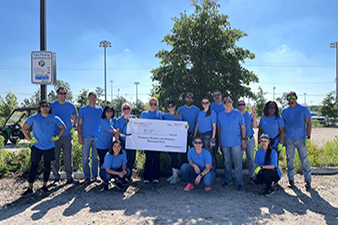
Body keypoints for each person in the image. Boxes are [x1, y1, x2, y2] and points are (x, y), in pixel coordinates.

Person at [21, 100, 66, 195]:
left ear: (49, 108)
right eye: (43, 106)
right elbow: (24, 128)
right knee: (34, 166)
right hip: (37, 146)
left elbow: (63, 127)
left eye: (47, 106)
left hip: (49, 146)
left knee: (47, 167)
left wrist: (57, 136)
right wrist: (29, 139)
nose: (45, 107)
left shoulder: (54, 118)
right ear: (40, 107)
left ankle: (45, 186)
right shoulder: (34, 117)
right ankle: (30, 187)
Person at [281, 91, 312, 189]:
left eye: (293, 96)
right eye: (289, 97)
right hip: (288, 138)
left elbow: (309, 123)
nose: (291, 98)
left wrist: (308, 137)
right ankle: (291, 180)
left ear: (296, 97)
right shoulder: (284, 111)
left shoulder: (303, 109)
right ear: (287, 99)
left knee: (304, 159)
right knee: (289, 159)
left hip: (301, 139)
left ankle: (308, 180)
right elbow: (282, 126)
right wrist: (282, 140)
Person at [50, 86, 79, 186]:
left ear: (67, 94)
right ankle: (56, 178)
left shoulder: (71, 106)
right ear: (57, 94)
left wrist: (74, 126)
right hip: (55, 135)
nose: (63, 95)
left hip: (67, 135)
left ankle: (69, 178)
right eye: (61, 93)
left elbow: (76, 116)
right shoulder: (52, 105)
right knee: (55, 157)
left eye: (64, 93)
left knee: (68, 157)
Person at [218, 96, 246, 190]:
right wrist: (219, 141)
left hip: (236, 143)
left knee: (238, 163)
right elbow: (219, 128)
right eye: (225, 102)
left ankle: (239, 182)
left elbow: (243, 127)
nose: (227, 104)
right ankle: (228, 180)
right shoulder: (220, 115)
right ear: (223, 104)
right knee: (227, 162)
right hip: (225, 143)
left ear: (232, 103)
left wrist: (243, 139)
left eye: (229, 102)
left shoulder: (238, 114)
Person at [77, 92, 103, 184]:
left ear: (96, 99)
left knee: (95, 158)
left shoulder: (100, 110)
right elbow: (79, 124)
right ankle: (87, 177)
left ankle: (95, 175)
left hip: (97, 136)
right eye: (90, 97)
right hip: (85, 136)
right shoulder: (83, 109)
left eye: (94, 97)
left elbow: (101, 123)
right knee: (85, 158)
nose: (92, 99)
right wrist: (79, 136)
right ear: (88, 98)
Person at [140, 97, 164, 183]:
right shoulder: (144, 114)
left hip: (158, 140)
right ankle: (147, 178)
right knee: (148, 158)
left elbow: (165, 126)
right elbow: (140, 126)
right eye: (151, 104)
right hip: (148, 140)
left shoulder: (160, 114)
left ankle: (156, 178)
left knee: (157, 158)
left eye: (155, 104)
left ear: (157, 105)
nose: (153, 105)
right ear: (149, 105)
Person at [115, 103, 137, 181]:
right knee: (124, 160)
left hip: (132, 143)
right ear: (122, 110)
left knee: (132, 159)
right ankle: (122, 177)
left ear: (130, 110)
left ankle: (129, 176)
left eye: (128, 108)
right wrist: (117, 145)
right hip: (123, 143)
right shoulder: (119, 120)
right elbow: (117, 133)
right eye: (124, 108)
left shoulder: (135, 120)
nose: (126, 110)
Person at [237, 100, 257, 184]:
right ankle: (239, 178)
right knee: (238, 159)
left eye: (243, 104)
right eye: (239, 104)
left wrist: (254, 116)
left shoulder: (249, 115)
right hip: (239, 140)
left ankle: (251, 176)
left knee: (251, 158)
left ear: (245, 106)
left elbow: (255, 126)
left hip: (250, 139)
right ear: (237, 106)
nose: (241, 106)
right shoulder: (236, 115)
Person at [177, 93, 200, 165]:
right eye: (188, 97)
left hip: (194, 135)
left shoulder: (197, 110)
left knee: (195, 153)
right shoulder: (180, 109)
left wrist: (194, 134)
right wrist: (185, 131)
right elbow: (179, 122)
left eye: (191, 98)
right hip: (184, 135)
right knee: (183, 153)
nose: (189, 99)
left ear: (193, 99)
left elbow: (198, 123)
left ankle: (195, 169)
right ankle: (183, 170)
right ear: (185, 99)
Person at [194, 97, 217, 169]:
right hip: (200, 136)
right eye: (203, 103)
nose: (205, 104)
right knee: (200, 154)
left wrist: (213, 138)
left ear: (209, 103)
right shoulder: (200, 113)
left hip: (208, 137)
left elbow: (214, 127)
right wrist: (194, 136)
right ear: (202, 104)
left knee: (209, 154)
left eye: (206, 103)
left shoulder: (212, 113)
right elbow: (197, 126)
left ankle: (212, 170)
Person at [163, 100, 183, 184]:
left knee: (175, 157)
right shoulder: (165, 116)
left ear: (175, 107)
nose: (171, 108)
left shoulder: (179, 116)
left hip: (176, 140)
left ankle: (176, 176)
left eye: (172, 106)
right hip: (168, 140)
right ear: (167, 108)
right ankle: (174, 174)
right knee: (171, 157)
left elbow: (182, 128)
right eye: (169, 107)